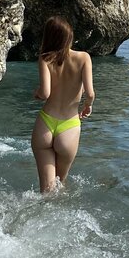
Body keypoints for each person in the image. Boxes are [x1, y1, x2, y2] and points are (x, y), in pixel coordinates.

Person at [30, 16, 94, 193]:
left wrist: (36, 93)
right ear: (69, 36)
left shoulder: (45, 59)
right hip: (69, 126)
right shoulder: (84, 58)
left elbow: (45, 93)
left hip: (46, 123)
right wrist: (88, 105)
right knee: (60, 185)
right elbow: (90, 93)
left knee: (46, 190)